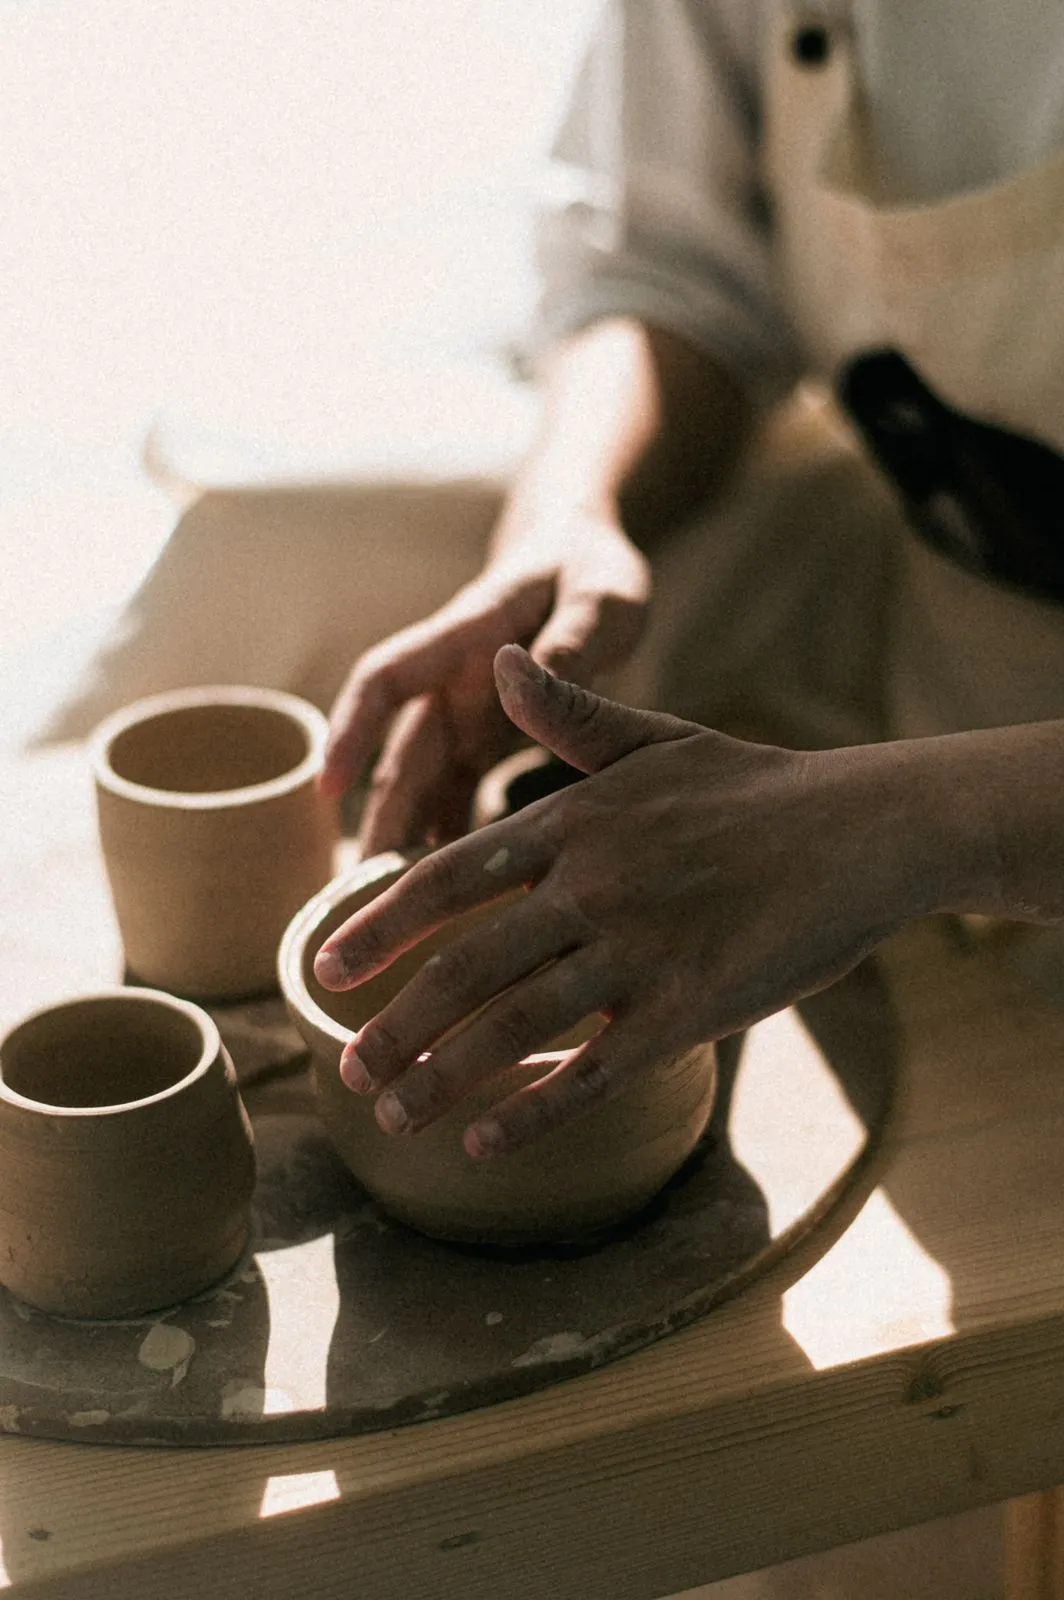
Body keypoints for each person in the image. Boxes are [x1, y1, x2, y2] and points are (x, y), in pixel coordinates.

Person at [312, 0, 1064, 1160]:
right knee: (281, 548)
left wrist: (881, 829)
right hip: (958, 652)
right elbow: (677, 267)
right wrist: (567, 509)